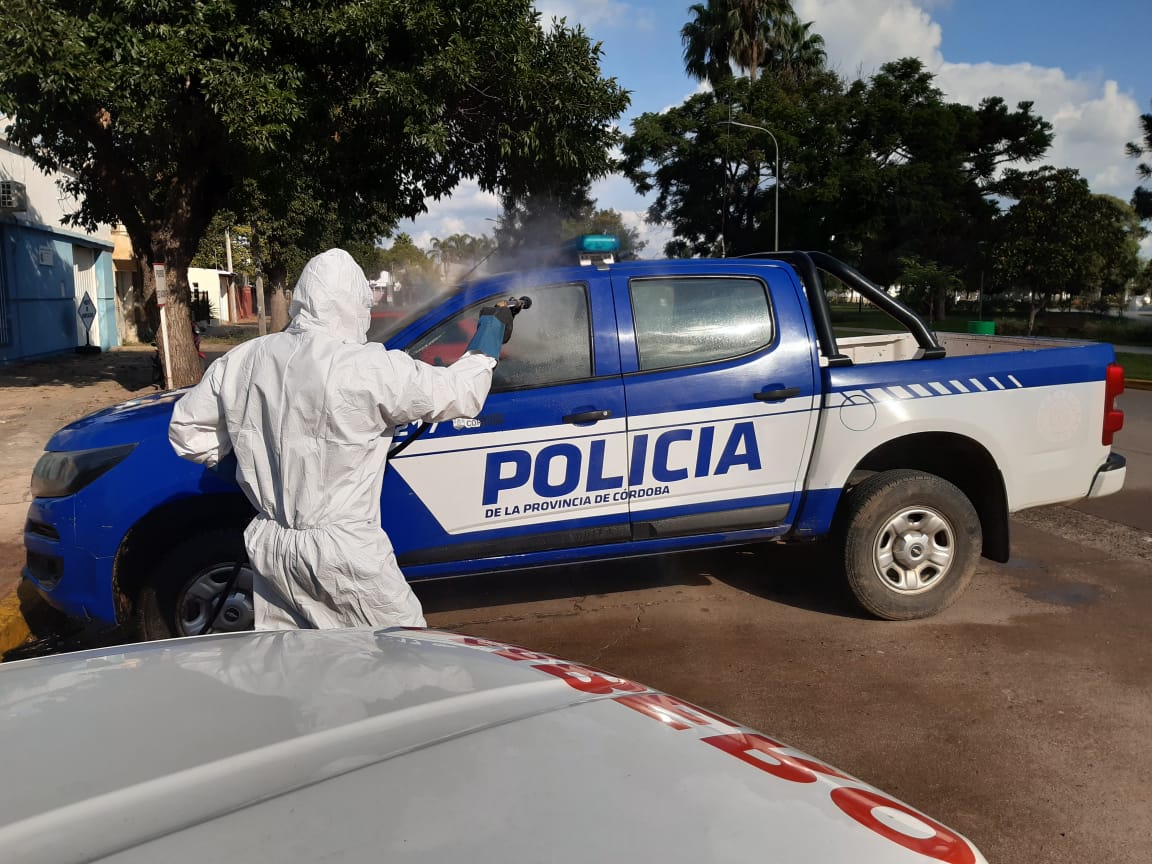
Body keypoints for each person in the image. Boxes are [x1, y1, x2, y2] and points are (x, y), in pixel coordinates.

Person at [168, 248, 513, 630]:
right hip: (344, 554)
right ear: (355, 304)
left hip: (272, 544)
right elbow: (461, 393)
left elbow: (187, 432)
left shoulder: (245, 358)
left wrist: (252, 467)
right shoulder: (368, 366)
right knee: (401, 650)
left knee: (296, 654)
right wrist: (489, 335)